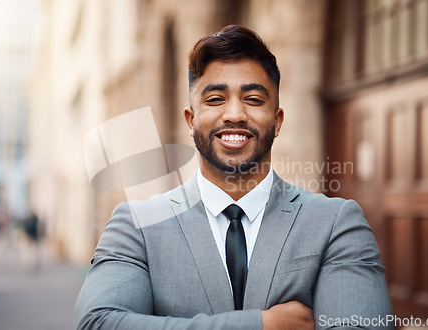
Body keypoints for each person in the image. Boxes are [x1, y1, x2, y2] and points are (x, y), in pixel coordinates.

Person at [74, 25, 392, 329]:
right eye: (215, 99)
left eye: (253, 99)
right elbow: (98, 323)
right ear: (190, 119)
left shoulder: (337, 222)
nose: (235, 114)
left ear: (277, 121)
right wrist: (261, 324)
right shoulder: (136, 224)